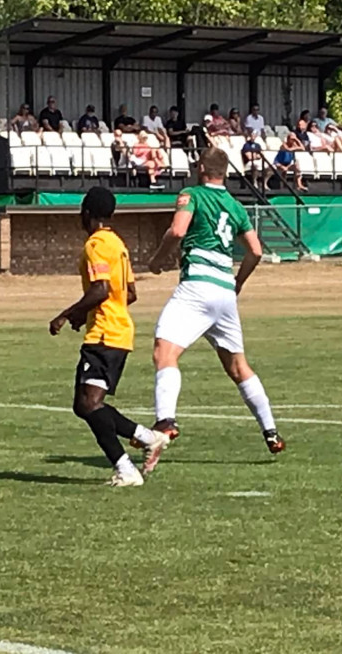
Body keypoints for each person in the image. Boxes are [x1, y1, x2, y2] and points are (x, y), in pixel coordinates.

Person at [143, 147, 286, 472]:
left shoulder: (191, 194)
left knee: (164, 353)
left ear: (204, 169)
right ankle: (271, 432)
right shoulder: (235, 206)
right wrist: (238, 283)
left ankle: (165, 423)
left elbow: (178, 230)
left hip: (197, 287)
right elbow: (256, 251)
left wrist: (158, 259)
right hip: (224, 291)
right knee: (238, 367)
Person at [49, 187, 169, 487]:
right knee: (86, 404)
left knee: (88, 404)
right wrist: (84, 313)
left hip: (105, 334)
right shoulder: (118, 244)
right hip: (118, 331)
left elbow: (101, 289)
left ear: (86, 213)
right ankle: (146, 438)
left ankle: (128, 467)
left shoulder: (96, 245)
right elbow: (129, 293)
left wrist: (67, 314)